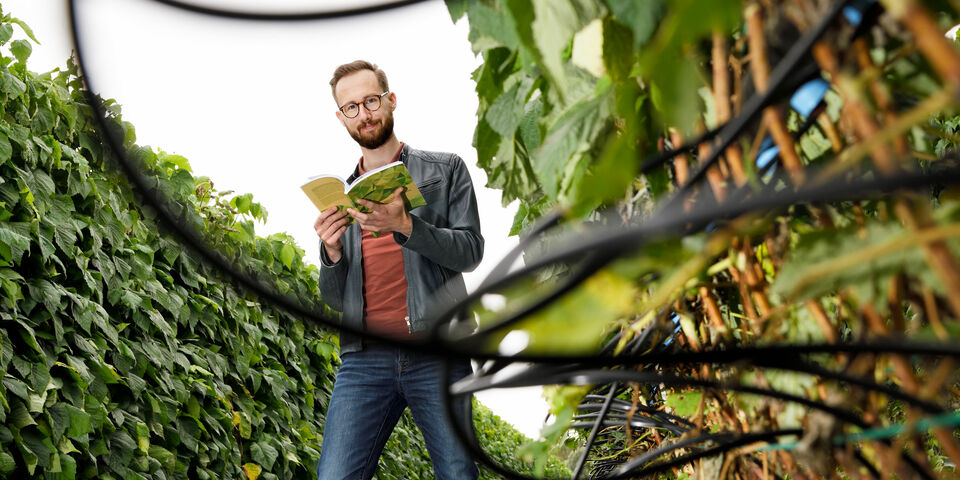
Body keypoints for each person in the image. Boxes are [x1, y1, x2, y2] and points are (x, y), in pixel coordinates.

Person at [313, 60, 483, 480]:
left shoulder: (445, 170)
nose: (364, 114)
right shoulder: (342, 196)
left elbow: (470, 252)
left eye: (371, 101)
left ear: (390, 100)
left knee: (457, 473)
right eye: (351, 107)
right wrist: (331, 253)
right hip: (363, 360)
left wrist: (407, 226)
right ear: (341, 117)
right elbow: (335, 299)